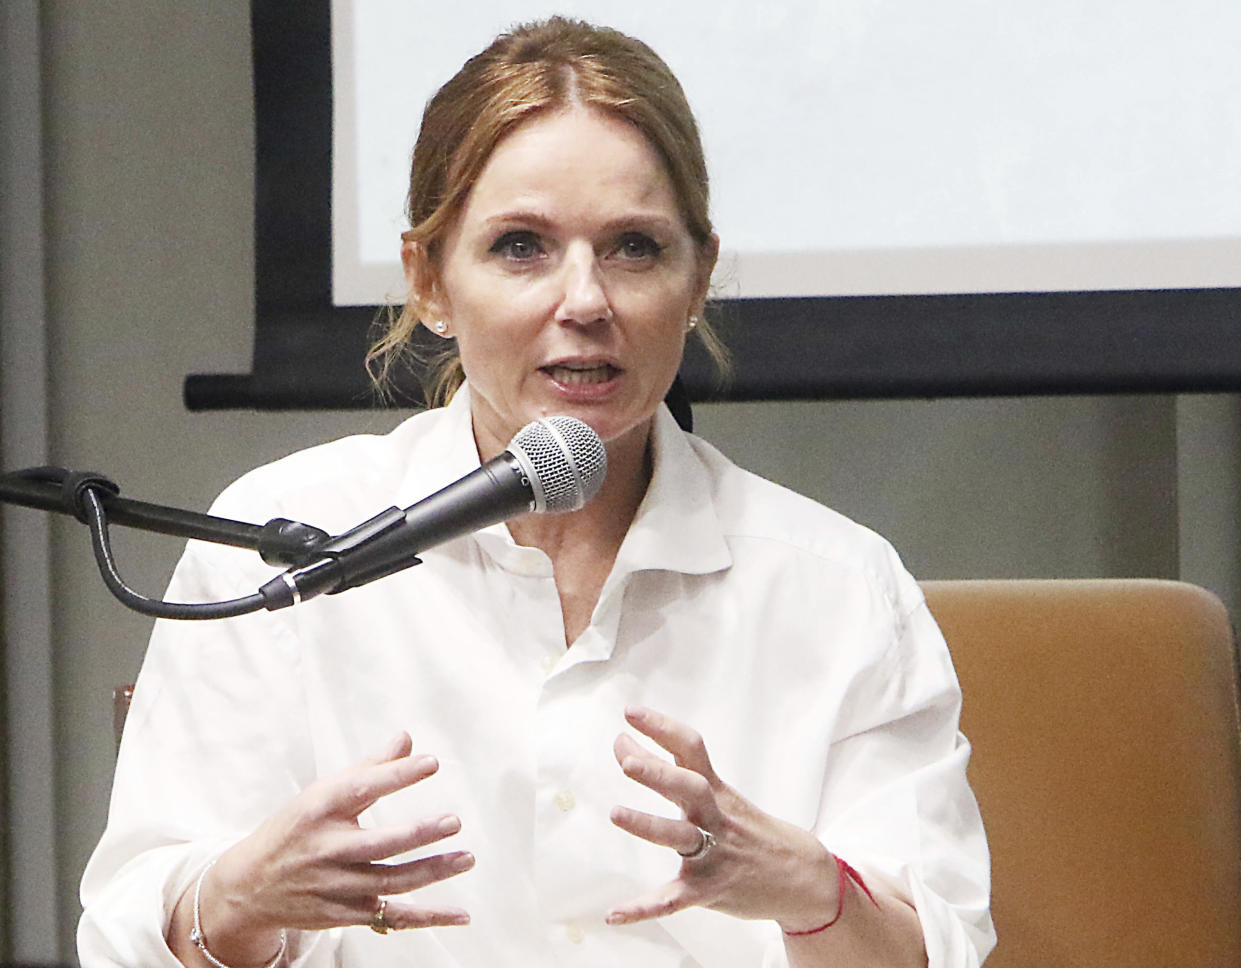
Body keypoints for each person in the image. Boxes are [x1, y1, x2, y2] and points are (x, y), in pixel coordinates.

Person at [79, 16, 994, 968]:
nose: (585, 301)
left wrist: (813, 894)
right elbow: (126, 934)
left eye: (634, 248)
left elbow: (938, 947)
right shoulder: (278, 550)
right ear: (427, 280)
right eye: (521, 247)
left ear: (697, 279)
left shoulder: (837, 586)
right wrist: (232, 904)